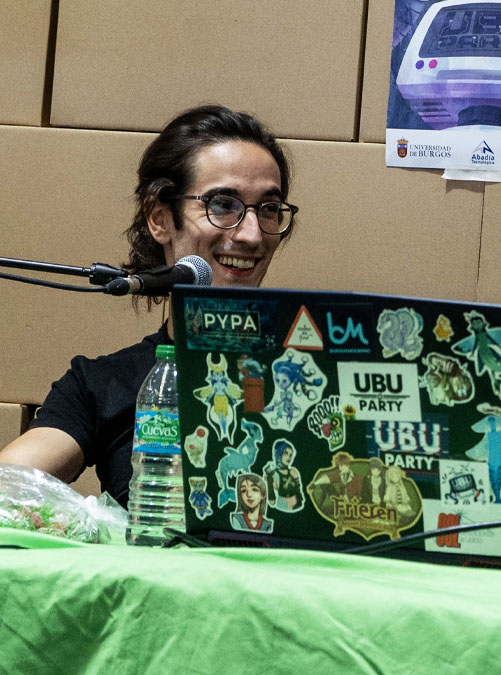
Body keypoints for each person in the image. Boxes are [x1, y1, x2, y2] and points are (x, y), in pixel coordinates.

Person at [0, 105, 297, 508]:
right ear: (160, 218)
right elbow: (9, 482)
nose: (251, 234)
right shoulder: (104, 383)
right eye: (223, 204)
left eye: (268, 209)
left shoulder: (309, 372)